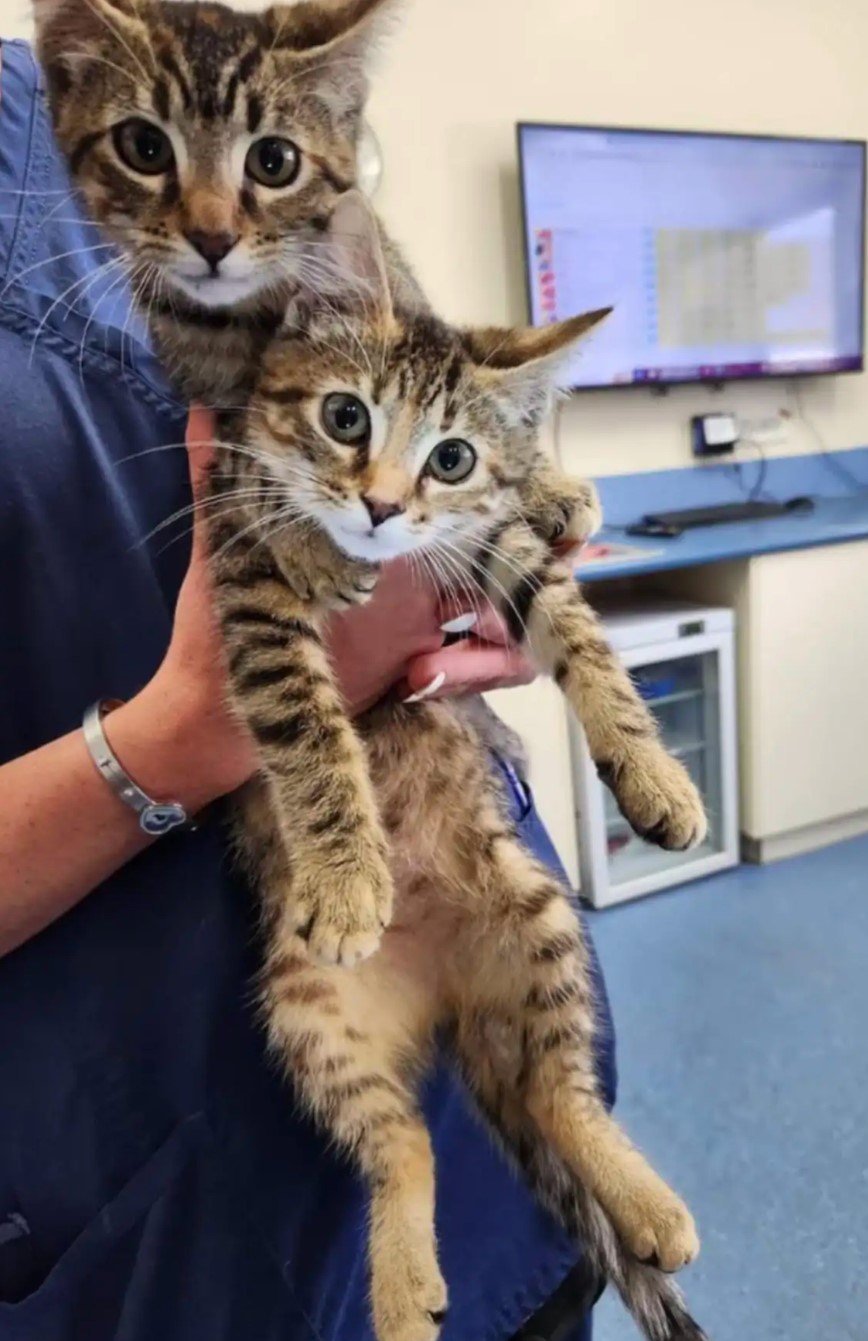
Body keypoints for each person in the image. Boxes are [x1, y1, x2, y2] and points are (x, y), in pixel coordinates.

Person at [0, 38, 614, 1341]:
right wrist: (172, 741)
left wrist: (482, 570)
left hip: (489, 1073)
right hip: (161, 1210)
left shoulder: (176, 103)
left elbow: (448, 428)